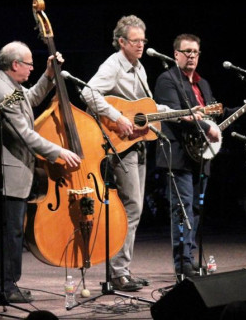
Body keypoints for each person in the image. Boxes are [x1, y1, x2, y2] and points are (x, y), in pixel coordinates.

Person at [153, 33, 246, 277]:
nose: (192, 56)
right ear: (176, 55)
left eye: (195, 52)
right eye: (187, 51)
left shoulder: (203, 85)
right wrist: (205, 127)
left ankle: (190, 257)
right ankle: (182, 262)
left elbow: (217, 115)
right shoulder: (167, 80)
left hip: (200, 155)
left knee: (194, 208)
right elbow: (174, 114)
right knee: (182, 209)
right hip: (179, 155)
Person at [0, 41, 81, 303]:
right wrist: (59, 152)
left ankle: (5, 284)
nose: (31, 68)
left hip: (15, 170)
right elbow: (24, 134)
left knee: (12, 230)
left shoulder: (10, 86)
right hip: (7, 171)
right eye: (29, 64)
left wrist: (48, 76)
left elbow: (31, 98)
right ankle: (4, 287)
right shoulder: (0, 88)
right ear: (15, 65)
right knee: (10, 231)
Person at [80, 15, 174, 292]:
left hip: (137, 144)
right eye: (135, 41)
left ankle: (122, 269)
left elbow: (144, 107)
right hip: (119, 144)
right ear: (121, 41)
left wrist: (177, 113)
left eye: (143, 41)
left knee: (135, 207)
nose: (141, 45)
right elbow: (88, 93)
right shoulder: (113, 64)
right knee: (132, 207)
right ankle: (118, 272)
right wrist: (117, 118)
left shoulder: (140, 67)